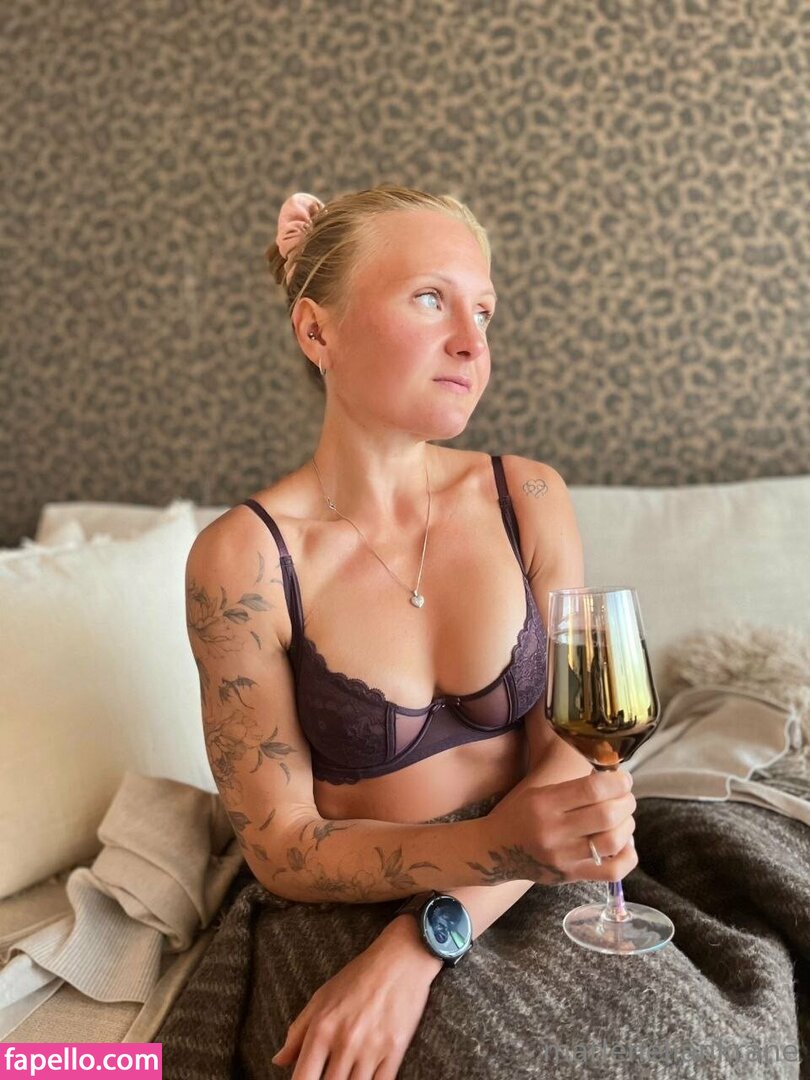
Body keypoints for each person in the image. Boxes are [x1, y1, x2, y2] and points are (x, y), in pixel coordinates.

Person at [183, 184, 637, 1079]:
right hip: (347, 907)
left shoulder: (526, 498)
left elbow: (568, 760)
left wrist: (434, 932)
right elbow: (280, 845)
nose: (473, 341)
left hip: (533, 891)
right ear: (317, 331)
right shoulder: (245, 559)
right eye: (431, 299)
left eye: (484, 310)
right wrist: (460, 881)